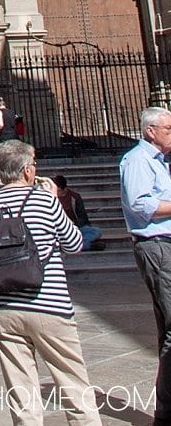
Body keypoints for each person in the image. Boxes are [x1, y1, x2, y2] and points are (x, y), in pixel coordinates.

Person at [0, 140, 101, 426]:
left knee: (22, 397)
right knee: (74, 385)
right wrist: (55, 201)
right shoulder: (44, 201)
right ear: (28, 171)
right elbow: (75, 243)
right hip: (48, 307)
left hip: (3, 309)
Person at [120, 104, 171, 426]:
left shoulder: (160, 162)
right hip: (157, 247)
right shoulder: (138, 161)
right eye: (168, 129)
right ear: (150, 131)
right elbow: (141, 204)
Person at [53, 174, 103, 251]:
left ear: (65, 189)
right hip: (60, 230)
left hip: (76, 228)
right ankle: (86, 245)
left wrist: (74, 227)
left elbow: (82, 217)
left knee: (96, 231)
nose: (56, 192)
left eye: (58, 190)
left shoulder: (75, 197)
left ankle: (76, 244)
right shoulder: (51, 199)